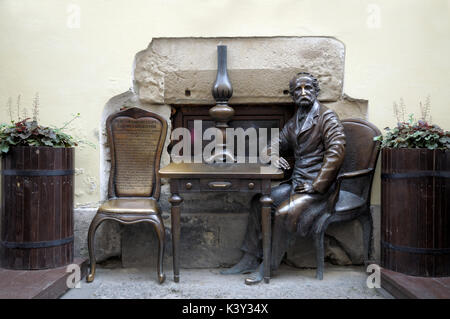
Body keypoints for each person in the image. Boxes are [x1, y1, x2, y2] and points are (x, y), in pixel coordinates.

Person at [221, 72, 346, 284]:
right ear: (293, 95)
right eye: (298, 89)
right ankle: (250, 258)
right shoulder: (294, 122)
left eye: (308, 88)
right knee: (258, 201)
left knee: (281, 214)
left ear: (316, 91)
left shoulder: (326, 117)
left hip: (316, 189)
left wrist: (317, 185)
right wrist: (274, 156)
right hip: (297, 185)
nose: (303, 93)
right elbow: (272, 146)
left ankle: (267, 267)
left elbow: (337, 151)